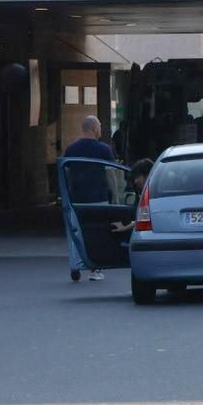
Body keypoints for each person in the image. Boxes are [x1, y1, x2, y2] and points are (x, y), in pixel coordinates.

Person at [62, 115, 116, 282]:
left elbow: (67, 174)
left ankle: (75, 265)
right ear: (94, 129)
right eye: (99, 127)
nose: (100, 130)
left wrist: (67, 195)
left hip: (77, 198)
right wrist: (114, 197)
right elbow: (111, 175)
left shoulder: (71, 150)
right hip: (98, 197)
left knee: (77, 232)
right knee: (97, 233)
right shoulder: (104, 149)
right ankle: (95, 269)